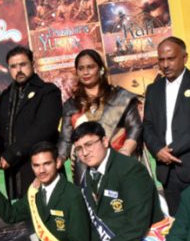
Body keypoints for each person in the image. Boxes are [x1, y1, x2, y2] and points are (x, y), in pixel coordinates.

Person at [143, 37, 190, 215]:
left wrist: (172, 149)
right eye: (161, 60)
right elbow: (147, 125)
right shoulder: (154, 90)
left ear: (185, 58)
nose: (166, 64)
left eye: (171, 58)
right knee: (180, 227)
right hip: (167, 172)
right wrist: (158, 150)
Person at [58, 49, 142, 185]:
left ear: (101, 69)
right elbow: (66, 139)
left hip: (119, 162)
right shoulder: (71, 104)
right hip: (85, 168)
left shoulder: (120, 96)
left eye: (90, 67)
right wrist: (59, 159)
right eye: (81, 68)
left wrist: (126, 150)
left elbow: (135, 127)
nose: (86, 72)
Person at [0, 45, 63, 200]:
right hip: (14, 170)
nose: (18, 70)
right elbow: (0, 131)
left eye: (23, 64)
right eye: (13, 66)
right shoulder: (4, 97)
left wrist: (12, 153)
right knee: (26, 217)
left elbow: (45, 128)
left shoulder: (48, 92)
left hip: (40, 166)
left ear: (33, 64)